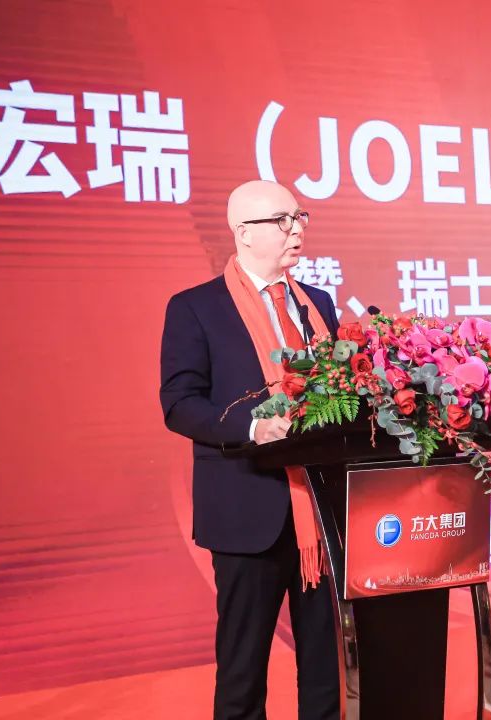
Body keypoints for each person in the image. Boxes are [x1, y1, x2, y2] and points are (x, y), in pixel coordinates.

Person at [159, 180, 341, 719]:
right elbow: (180, 403)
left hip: (322, 511)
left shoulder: (317, 304)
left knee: (327, 665)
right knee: (243, 670)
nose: (297, 229)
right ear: (243, 232)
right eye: (282, 220)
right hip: (247, 509)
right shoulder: (197, 308)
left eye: (300, 217)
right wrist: (252, 427)